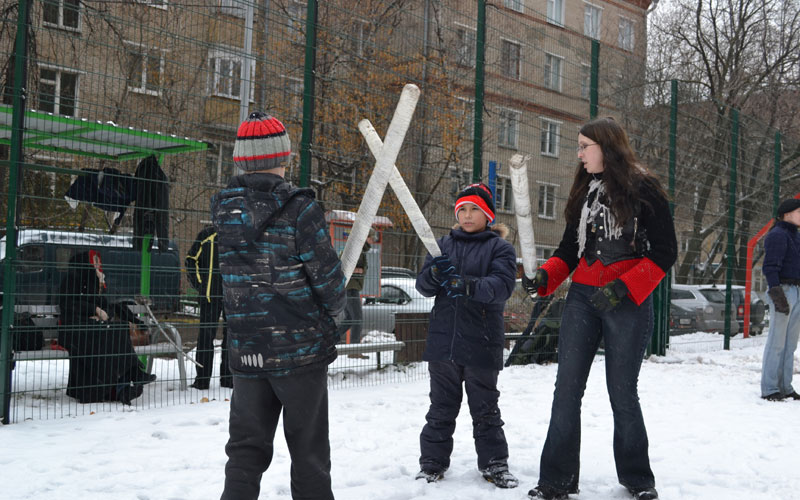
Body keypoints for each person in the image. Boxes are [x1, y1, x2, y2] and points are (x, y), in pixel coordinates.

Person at [523, 117, 677, 500]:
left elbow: (664, 252)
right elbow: (567, 251)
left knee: (622, 392)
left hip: (627, 302)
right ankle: (555, 481)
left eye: (583, 147)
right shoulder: (584, 190)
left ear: (607, 148)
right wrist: (544, 278)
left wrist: (623, 288)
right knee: (566, 390)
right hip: (582, 301)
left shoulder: (646, 190)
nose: (578, 154)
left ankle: (638, 480)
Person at [212, 112, 346, 500]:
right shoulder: (300, 209)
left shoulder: (223, 210)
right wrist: (335, 307)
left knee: (245, 449)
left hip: (246, 348)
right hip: (299, 351)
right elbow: (328, 281)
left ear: (241, 159)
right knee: (309, 452)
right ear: (283, 158)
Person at [414, 183, 519, 489]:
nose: (468, 215)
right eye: (462, 209)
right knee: (440, 407)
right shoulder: (441, 246)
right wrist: (434, 274)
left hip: (482, 341)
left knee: (485, 408)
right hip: (443, 341)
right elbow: (424, 286)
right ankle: (432, 463)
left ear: (488, 215)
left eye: (475, 209)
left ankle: (494, 463)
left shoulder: (500, 249)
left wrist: (467, 285)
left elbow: (502, 286)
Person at [58, 250, 156, 405]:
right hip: (74, 330)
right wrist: (94, 310)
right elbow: (68, 304)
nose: (98, 266)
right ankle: (129, 378)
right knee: (111, 335)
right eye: (95, 262)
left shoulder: (92, 283)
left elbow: (106, 305)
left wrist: (102, 313)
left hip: (92, 329)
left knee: (118, 329)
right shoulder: (72, 279)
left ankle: (127, 382)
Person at [760, 198, 800, 401]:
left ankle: (785, 386)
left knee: (790, 343)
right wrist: (777, 293)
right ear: (787, 214)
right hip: (782, 289)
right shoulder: (778, 235)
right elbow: (770, 267)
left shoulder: (796, 236)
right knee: (777, 341)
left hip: (796, 290)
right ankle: (769, 388)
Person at [185, 226, 232, 389]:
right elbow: (190, 259)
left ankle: (228, 378)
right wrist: (200, 285)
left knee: (231, 337)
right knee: (205, 337)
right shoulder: (206, 234)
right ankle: (202, 380)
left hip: (233, 296)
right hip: (209, 296)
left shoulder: (237, 233)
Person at [337, 229, 373, 358]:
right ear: (365, 237)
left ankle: (329, 339)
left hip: (348, 287)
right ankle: (354, 350)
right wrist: (360, 270)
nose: (373, 240)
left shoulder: (358, 249)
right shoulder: (357, 250)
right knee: (357, 319)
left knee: (350, 319)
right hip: (351, 288)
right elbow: (346, 267)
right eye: (371, 237)